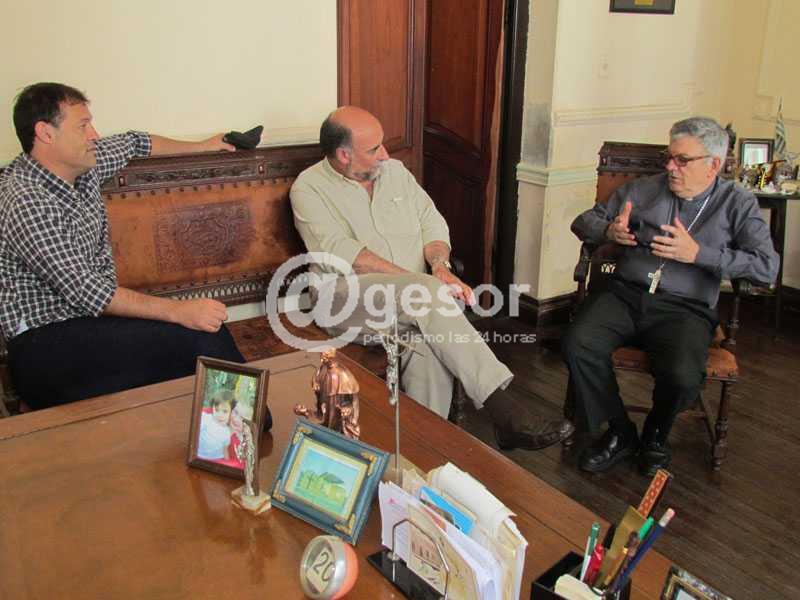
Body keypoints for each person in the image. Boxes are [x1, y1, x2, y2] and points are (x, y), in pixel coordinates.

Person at [290, 106, 573, 450]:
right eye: (374, 149)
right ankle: (504, 409)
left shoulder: (395, 173)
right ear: (343, 155)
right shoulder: (309, 188)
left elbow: (432, 223)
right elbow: (351, 257)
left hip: (413, 303)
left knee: (427, 345)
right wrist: (422, 284)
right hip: (343, 299)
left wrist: (440, 268)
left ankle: (424, 449)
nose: (386, 154)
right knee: (423, 296)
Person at [0, 82, 245, 410]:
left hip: (91, 325)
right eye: (83, 126)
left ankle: (237, 432)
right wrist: (180, 310)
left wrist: (205, 145)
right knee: (200, 339)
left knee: (205, 338)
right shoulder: (23, 199)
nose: (95, 135)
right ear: (45, 133)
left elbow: (136, 142)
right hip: (43, 348)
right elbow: (87, 291)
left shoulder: (83, 165)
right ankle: (249, 433)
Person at [562, 116, 779, 475]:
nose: (670, 167)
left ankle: (656, 435)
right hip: (625, 294)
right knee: (577, 343)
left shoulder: (736, 203)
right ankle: (619, 431)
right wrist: (610, 231)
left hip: (685, 309)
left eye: (682, 160)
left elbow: (766, 268)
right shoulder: (642, 190)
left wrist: (700, 255)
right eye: (669, 157)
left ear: (713, 164)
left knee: (682, 375)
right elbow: (584, 222)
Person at [198, 391, 234, 460]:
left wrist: (227, 461)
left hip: (217, 459)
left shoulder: (227, 431)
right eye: (217, 410)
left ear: (231, 413)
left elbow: (225, 449)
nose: (220, 415)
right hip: (199, 455)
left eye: (225, 411)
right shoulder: (206, 418)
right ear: (212, 409)